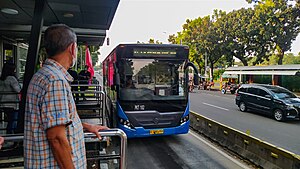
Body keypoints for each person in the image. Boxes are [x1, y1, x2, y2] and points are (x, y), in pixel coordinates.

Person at [24, 24, 108, 169]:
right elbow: (56, 138)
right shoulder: (55, 80)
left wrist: (87, 126)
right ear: (72, 48)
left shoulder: (44, 75)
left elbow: (54, 121)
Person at [0, 62, 21, 134]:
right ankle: (11, 136)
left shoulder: (2, 78)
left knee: (9, 120)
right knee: (13, 121)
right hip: (12, 103)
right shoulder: (12, 79)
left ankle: (8, 135)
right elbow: (18, 90)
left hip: (4, 103)